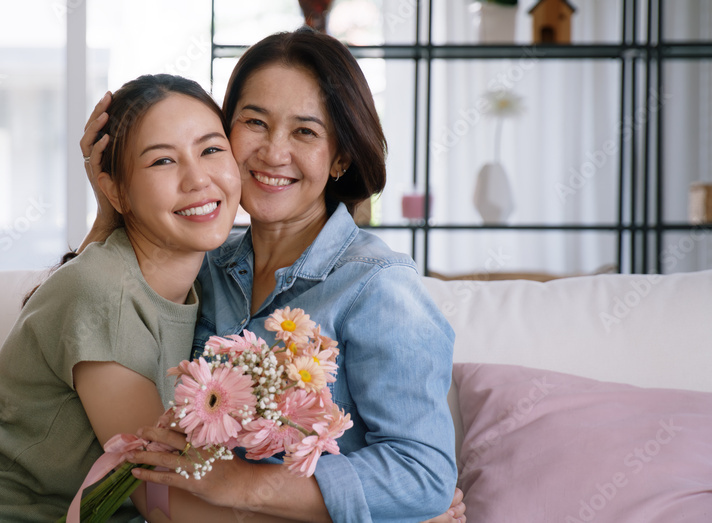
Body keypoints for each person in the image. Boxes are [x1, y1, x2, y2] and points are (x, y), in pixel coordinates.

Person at [78, 28, 465, 523]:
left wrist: (244, 485)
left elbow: (423, 475)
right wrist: (112, 205)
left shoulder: (377, 286)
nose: (273, 152)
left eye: (305, 131)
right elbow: (71, 325)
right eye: (254, 122)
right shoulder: (202, 266)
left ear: (341, 157)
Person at [0, 74, 268, 522]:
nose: (197, 179)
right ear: (115, 190)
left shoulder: (214, 281)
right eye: (163, 161)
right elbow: (158, 497)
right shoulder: (102, 290)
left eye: (210, 149)